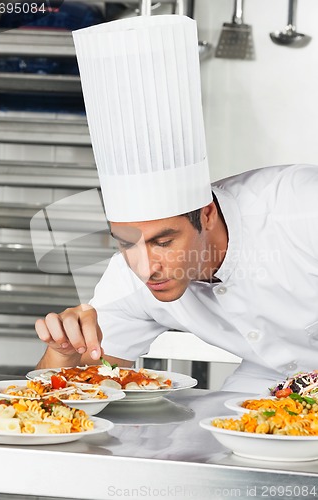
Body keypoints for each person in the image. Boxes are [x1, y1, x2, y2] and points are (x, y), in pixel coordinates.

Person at [34, 14, 318, 393]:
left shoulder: (300, 207)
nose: (146, 267)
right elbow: (77, 391)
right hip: (268, 384)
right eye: (125, 242)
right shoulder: (130, 275)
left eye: (164, 242)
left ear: (207, 215)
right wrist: (63, 353)